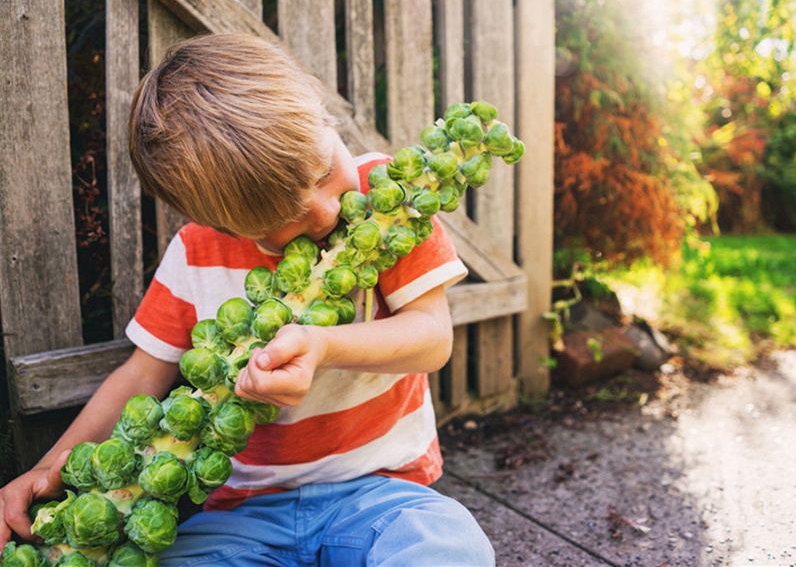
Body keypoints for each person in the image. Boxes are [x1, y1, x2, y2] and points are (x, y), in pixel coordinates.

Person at [0, 33, 494, 566]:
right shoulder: (194, 253)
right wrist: (49, 468)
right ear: (220, 223)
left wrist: (323, 344)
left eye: (325, 172)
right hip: (241, 516)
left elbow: (431, 337)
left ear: (323, 117)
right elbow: (142, 377)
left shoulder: (393, 204)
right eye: (281, 223)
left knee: (448, 548)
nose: (325, 214)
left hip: (382, 493)